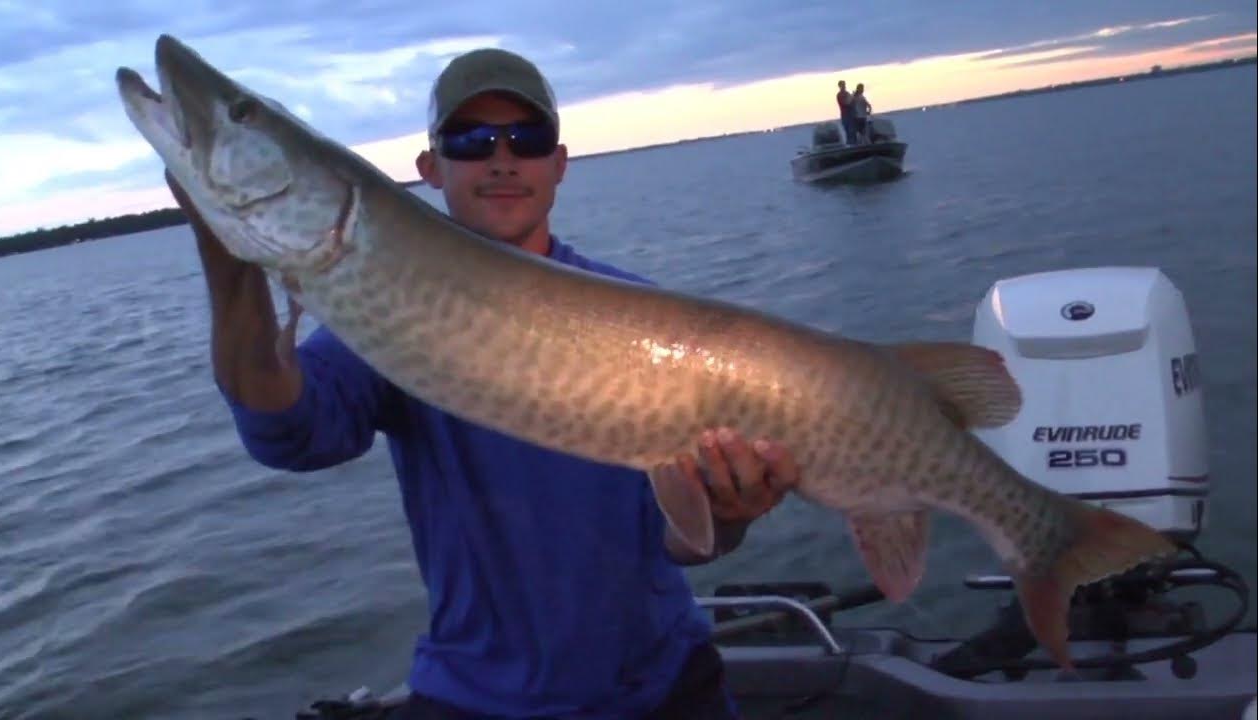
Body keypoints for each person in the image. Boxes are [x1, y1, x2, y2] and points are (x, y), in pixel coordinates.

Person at [165, 47, 801, 719]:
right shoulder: (391, 309)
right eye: (471, 140)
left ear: (559, 164)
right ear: (430, 168)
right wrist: (226, 250)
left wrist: (730, 515)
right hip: (477, 699)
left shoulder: (641, 321)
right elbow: (284, 432)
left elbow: (683, 542)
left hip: (662, 687)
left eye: (527, 138)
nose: (501, 158)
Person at [836, 79, 858, 144]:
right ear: (840, 86)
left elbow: (853, 103)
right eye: (842, 85)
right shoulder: (839, 95)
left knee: (854, 133)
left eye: (844, 84)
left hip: (852, 115)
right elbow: (846, 103)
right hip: (846, 116)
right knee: (849, 133)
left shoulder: (847, 93)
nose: (844, 86)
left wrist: (854, 97)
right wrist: (852, 97)